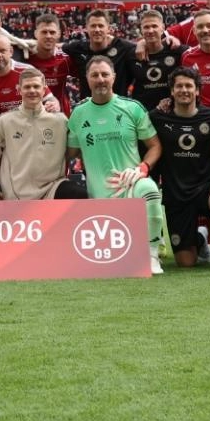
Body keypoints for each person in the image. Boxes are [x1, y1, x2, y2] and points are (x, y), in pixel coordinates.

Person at [66, 55, 165, 273]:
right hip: (99, 192)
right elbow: (68, 154)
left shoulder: (133, 108)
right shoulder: (78, 114)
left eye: (104, 74)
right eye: (94, 75)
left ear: (114, 77)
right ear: (87, 79)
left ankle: (152, 255)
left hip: (130, 184)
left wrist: (142, 169)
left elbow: (155, 146)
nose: (100, 79)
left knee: (149, 188)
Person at [149, 68, 210, 270]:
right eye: (179, 86)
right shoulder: (157, 118)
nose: (184, 90)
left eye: (189, 86)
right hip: (176, 195)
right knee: (186, 262)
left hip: (205, 188)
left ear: (197, 91)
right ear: (171, 91)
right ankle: (200, 238)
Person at [0, 68, 80, 202]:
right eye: (27, 87)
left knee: (78, 194)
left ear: (44, 89)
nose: (32, 90)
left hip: (51, 189)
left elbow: (77, 150)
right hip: (16, 195)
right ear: (19, 89)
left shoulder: (60, 121)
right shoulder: (5, 121)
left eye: (36, 86)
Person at [0, 31, 61, 116]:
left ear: (11, 51)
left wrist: (53, 104)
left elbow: (49, 98)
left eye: (2, 51)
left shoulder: (28, 72)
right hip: (0, 127)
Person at [65, 9, 136, 97]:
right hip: (88, 108)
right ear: (86, 28)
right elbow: (56, 48)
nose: (97, 29)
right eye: (93, 26)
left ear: (108, 29)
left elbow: (143, 47)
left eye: (101, 26)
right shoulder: (77, 48)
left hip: (118, 108)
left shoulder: (124, 48)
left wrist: (143, 44)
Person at [130, 9, 183, 111]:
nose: (150, 31)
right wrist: (141, 43)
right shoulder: (131, 55)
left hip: (170, 114)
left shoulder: (176, 51)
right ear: (141, 29)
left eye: (154, 26)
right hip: (143, 115)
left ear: (163, 28)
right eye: (146, 27)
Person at [24, 12, 74, 113]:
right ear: (35, 34)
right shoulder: (25, 57)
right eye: (44, 32)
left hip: (60, 115)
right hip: (32, 116)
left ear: (59, 34)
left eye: (52, 32)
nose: (48, 36)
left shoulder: (66, 59)